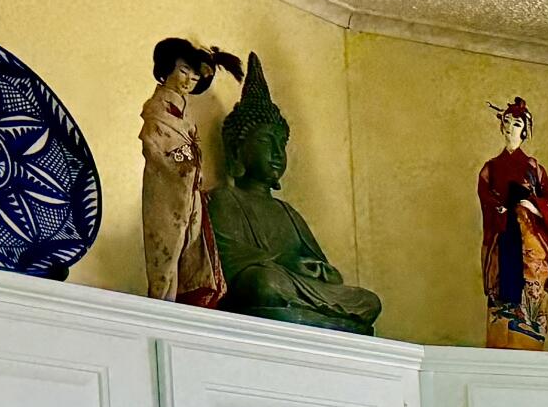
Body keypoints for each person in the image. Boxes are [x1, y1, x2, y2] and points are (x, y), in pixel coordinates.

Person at [206, 52, 383, 335]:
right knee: (264, 285)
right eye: (265, 141)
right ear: (238, 149)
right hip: (269, 282)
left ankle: (303, 309)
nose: (277, 154)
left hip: (299, 288)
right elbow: (225, 260)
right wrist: (284, 263)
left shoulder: (288, 212)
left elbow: (331, 274)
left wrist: (320, 271)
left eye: (282, 144)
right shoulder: (225, 199)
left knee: (368, 302)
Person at [139, 38, 239, 306]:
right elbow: (155, 142)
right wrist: (183, 163)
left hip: (189, 189)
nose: (187, 80)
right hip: (168, 187)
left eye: (194, 77)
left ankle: (180, 298)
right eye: (183, 70)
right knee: (166, 248)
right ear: (168, 67)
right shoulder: (158, 107)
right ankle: (163, 301)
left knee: (190, 246)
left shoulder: (185, 112)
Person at [476, 97, 548, 350]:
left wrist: (533, 206)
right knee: (500, 288)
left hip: (529, 236)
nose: (510, 128)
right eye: (506, 122)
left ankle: (529, 339)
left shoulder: (534, 168)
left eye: (516, 123)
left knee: (531, 286)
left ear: (525, 130)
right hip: (503, 231)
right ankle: (500, 340)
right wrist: (502, 208)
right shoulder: (490, 168)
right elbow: (485, 196)